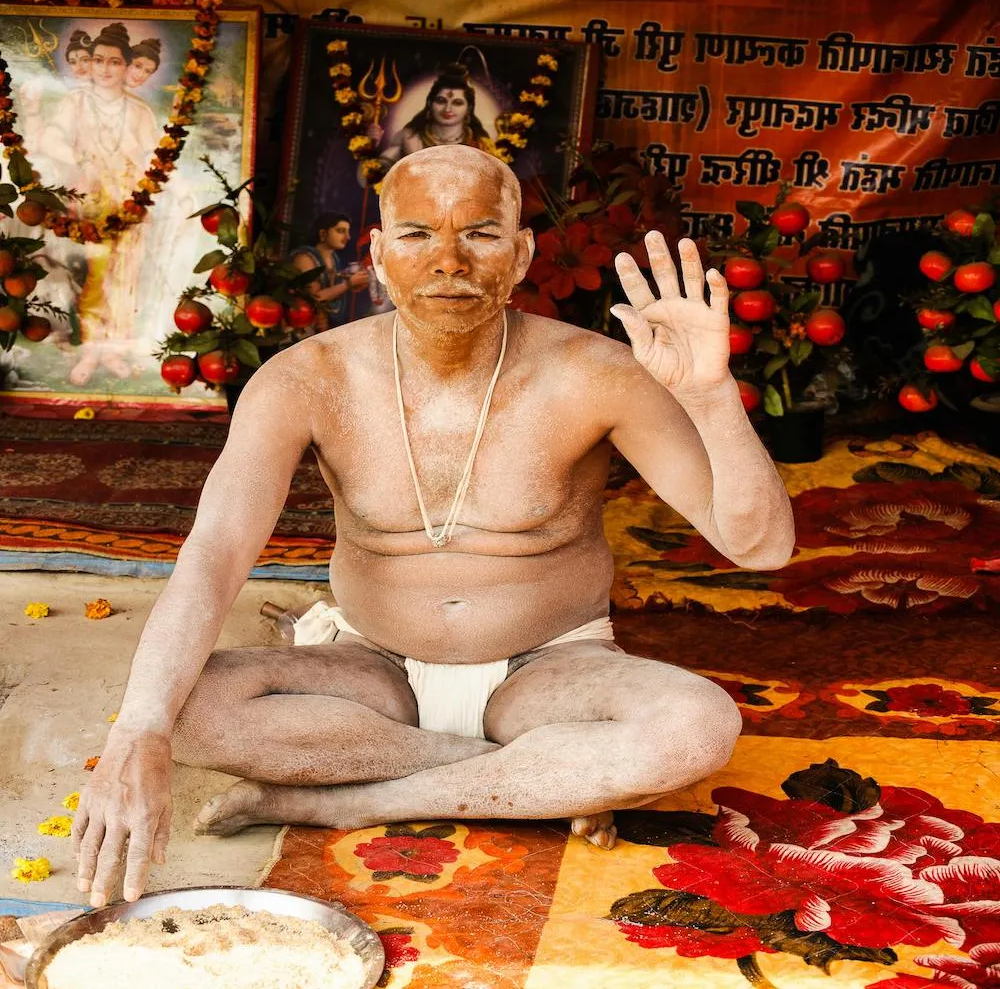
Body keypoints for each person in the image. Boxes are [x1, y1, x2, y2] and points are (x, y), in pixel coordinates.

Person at [73, 146, 795, 908]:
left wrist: (711, 393)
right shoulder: (305, 378)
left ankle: (361, 799)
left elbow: (760, 544)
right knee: (178, 711)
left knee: (696, 729)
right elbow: (213, 559)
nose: (448, 260)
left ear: (520, 256)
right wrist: (138, 732)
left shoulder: (597, 372)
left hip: (547, 672)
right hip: (369, 667)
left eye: (480, 234)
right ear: (379, 255)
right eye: (417, 234)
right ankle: (526, 778)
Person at [40, 22, 159, 387]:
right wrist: (78, 163)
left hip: (131, 202)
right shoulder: (75, 100)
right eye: (98, 60)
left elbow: (155, 158)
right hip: (89, 200)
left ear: (126, 67)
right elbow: (50, 139)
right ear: (89, 64)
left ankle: (115, 348)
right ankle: (91, 346)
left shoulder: (139, 111)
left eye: (114, 62)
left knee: (126, 276)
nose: (105, 69)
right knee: (95, 274)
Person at [367, 63, 495, 170]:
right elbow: (370, 178)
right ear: (430, 103)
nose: (448, 109)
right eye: (441, 100)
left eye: (457, 103)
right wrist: (369, 148)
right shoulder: (409, 138)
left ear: (469, 108)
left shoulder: (481, 144)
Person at [290, 212, 370, 330]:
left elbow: (332, 289)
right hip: (301, 326)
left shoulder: (333, 259)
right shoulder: (305, 258)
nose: (347, 237)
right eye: (340, 231)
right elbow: (315, 297)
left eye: (347, 232)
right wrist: (348, 284)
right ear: (323, 233)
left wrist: (351, 283)